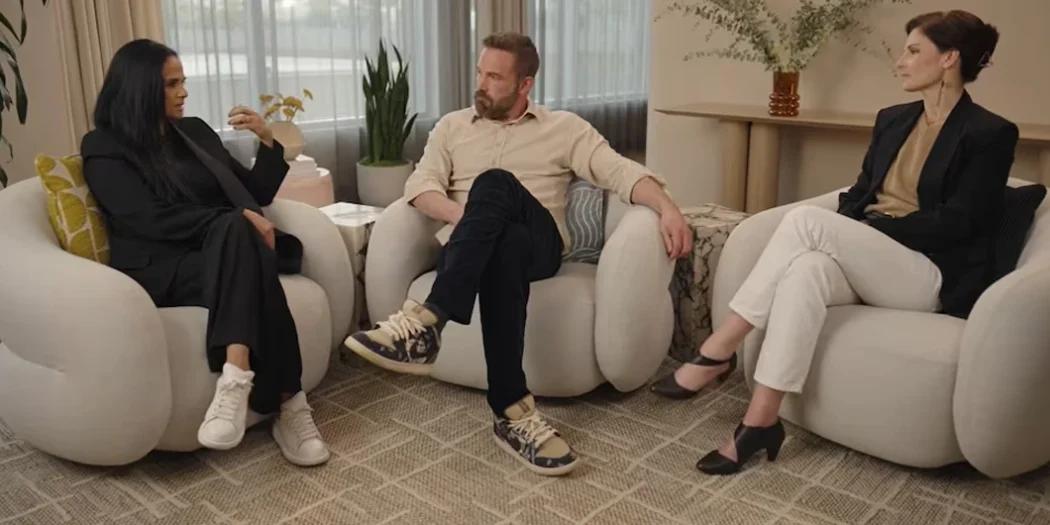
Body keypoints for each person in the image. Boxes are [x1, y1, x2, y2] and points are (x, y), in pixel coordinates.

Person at [651, 10, 1016, 475]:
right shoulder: (893, 119)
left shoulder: (989, 133)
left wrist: (862, 233)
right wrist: (847, 237)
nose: (900, 61)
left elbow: (960, 223)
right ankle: (760, 422)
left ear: (949, 58)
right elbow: (861, 193)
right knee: (806, 270)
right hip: (874, 263)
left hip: (927, 272)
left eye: (913, 51)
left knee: (807, 221)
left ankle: (718, 348)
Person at [345, 32, 692, 476]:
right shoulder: (451, 127)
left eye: (494, 77)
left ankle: (428, 322)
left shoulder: (563, 128)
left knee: (495, 183)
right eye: (480, 72)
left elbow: (620, 172)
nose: (481, 84)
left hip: (539, 247)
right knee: (500, 241)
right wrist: (474, 220)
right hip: (480, 251)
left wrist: (668, 207)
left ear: (525, 84)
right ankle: (512, 412)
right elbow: (420, 186)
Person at [81, 39, 329, 466]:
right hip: (164, 267)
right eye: (171, 84)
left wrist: (267, 139)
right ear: (140, 88)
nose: (183, 92)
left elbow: (254, 192)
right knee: (240, 236)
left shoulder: (193, 132)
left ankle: (236, 381)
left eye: (183, 82)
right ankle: (289, 405)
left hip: (223, 255)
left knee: (241, 241)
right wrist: (234, 222)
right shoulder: (104, 146)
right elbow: (146, 219)